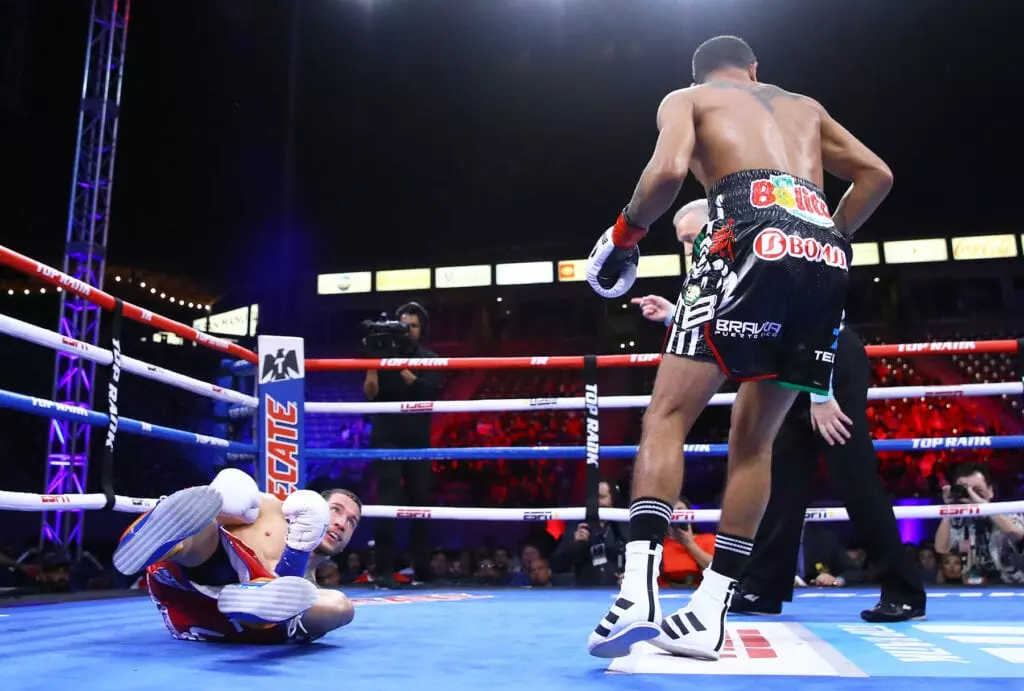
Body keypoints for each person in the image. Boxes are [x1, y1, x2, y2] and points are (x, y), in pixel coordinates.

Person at [584, 35, 893, 660]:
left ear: (699, 74)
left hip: (744, 228)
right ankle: (709, 612)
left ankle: (638, 592)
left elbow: (668, 172)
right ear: (756, 71)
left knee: (666, 416)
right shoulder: (803, 105)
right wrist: (823, 234)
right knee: (755, 442)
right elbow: (877, 175)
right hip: (822, 252)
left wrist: (623, 236)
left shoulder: (688, 97)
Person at [113, 468, 361, 643]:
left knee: (339, 607)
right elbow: (203, 509)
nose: (341, 523)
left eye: (352, 522)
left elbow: (298, 599)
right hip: (193, 575)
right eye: (336, 510)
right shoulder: (272, 508)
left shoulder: (312, 587)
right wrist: (227, 502)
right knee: (212, 517)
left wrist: (298, 550)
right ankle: (154, 539)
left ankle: (257, 605)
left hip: (242, 624)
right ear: (317, 502)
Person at [363, 301, 441, 586]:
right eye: (403, 325)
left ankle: (422, 570)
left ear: (422, 330)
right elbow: (370, 394)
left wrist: (401, 367)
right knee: (387, 501)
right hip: (386, 436)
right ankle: (383, 569)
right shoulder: (381, 354)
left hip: (418, 439)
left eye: (414, 326)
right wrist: (373, 365)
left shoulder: (429, 358)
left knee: (420, 502)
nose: (408, 331)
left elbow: (430, 391)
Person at [934, 463, 1024, 584]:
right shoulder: (960, 520)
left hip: (1016, 587)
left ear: (991, 491)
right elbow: (941, 548)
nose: (972, 495)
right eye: (967, 491)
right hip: (980, 589)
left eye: (978, 490)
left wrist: (982, 505)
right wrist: (948, 509)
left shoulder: (1008, 513)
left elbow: (1016, 533)